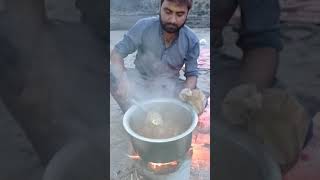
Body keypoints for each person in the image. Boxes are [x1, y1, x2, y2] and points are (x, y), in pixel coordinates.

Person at [213, 0, 314, 173]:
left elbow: (261, 43)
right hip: (153, 65)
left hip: (206, 66)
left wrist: (244, 100)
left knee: (286, 124)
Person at [110, 0, 200, 113]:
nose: (172, 20)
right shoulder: (143, 26)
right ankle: (131, 111)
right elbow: (117, 53)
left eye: (179, 14)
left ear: (188, 13)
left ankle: (171, 112)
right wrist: (122, 78)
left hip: (170, 85)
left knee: (199, 97)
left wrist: (185, 92)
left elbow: (192, 75)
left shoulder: (191, 40)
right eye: (168, 11)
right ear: (160, 7)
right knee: (112, 75)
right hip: (140, 80)